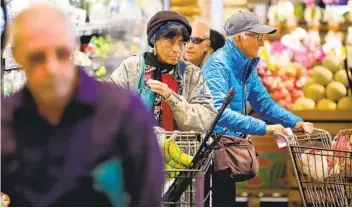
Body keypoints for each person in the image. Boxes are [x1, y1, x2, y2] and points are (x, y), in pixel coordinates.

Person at [1, 3, 163, 207]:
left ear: (74, 46)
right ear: (16, 55)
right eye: (37, 58)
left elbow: (148, 199)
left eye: (61, 53)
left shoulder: (124, 112)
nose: (52, 68)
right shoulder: (6, 120)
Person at [202, 11, 314, 206]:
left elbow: (263, 103)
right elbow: (218, 113)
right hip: (212, 153)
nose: (262, 43)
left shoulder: (246, 66)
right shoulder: (218, 66)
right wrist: (265, 128)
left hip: (229, 150)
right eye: (257, 37)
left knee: (226, 200)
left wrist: (295, 121)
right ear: (239, 37)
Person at [110, 11, 216, 132]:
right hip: (138, 148)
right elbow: (108, 106)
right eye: (170, 42)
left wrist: (172, 98)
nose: (177, 49)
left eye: (182, 43)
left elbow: (207, 119)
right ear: (154, 39)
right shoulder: (132, 68)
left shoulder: (191, 74)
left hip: (181, 149)